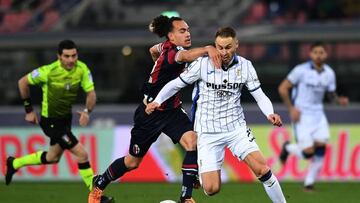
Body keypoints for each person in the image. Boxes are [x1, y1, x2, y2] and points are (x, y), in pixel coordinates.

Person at [88, 15, 221, 203]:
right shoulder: (173, 54)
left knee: (192, 142)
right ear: (171, 37)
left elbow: (153, 49)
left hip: (172, 111)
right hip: (149, 113)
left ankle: (186, 197)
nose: (188, 34)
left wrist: (157, 64)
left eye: (188, 30)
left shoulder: (164, 49)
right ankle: (99, 184)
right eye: (182, 31)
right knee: (132, 162)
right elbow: (186, 56)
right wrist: (208, 48)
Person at [146, 27, 287, 203]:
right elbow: (176, 84)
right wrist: (158, 101)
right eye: (220, 47)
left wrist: (270, 113)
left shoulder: (246, 66)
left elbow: (259, 95)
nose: (224, 52)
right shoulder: (203, 64)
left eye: (228, 47)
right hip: (207, 131)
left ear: (236, 45)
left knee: (262, 169)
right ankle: (200, 173)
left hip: (236, 128)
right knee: (211, 189)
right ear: (215, 45)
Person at [5, 40, 113, 203]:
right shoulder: (48, 71)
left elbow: (91, 94)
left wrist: (87, 111)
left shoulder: (82, 69)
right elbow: (22, 83)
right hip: (51, 121)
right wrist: (29, 111)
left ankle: (14, 163)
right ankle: (96, 196)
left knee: (52, 157)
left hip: (65, 119)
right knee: (82, 154)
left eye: (74, 56)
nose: (71, 60)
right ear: (59, 57)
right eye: (67, 56)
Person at [278, 41, 349, 191]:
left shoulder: (329, 73)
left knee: (321, 148)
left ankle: (309, 183)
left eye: (321, 52)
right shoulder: (300, 70)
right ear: (310, 54)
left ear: (326, 54)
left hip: (318, 115)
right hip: (301, 114)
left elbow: (330, 95)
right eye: (315, 52)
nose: (318, 55)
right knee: (308, 152)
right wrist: (291, 109)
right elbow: (283, 88)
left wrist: (338, 100)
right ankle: (288, 148)